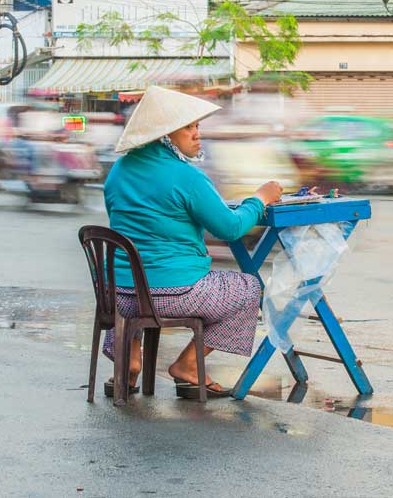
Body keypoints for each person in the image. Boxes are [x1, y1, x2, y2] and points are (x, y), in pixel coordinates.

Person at [101, 85, 283, 398]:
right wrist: (260, 198)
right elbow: (230, 227)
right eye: (188, 127)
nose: (197, 134)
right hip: (171, 295)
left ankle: (129, 357)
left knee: (134, 288)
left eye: (197, 126)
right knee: (250, 288)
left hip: (116, 296)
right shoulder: (187, 176)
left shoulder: (118, 171)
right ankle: (188, 365)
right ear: (164, 135)